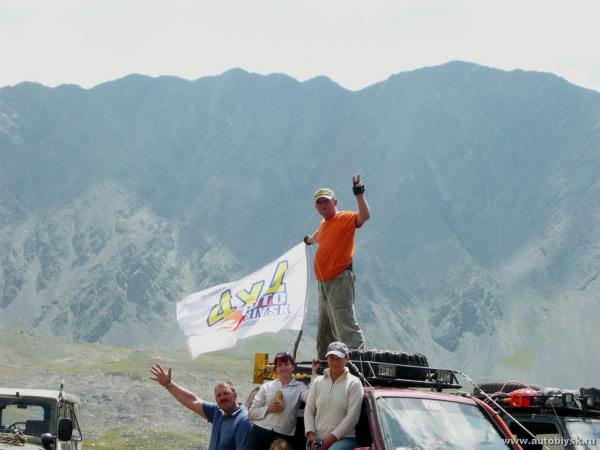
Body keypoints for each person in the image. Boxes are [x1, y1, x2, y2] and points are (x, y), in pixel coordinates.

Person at [304, 176, 371, 358]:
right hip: (323, 284)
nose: (323, 204)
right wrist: (309, 240)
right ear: (316, 207)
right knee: (325, 325)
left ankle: (357, 359)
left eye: (326, 201)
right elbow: (319, 236)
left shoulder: (344, 218)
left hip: (340, 279)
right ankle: (327, 362)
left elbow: (364, 217)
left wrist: (359, 195)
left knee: (343, 320)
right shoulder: (324, 224)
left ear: (335, 202)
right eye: (320, 202)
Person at [150, 363, 252, 450]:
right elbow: (193, 401)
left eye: (226, 393)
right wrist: (169, 385)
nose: (222, 397)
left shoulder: (243, 421)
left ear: (235, 395)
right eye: (219, 395)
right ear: (216, 400)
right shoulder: (218, 412)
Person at [247, 352, 318, 450]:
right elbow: (251, 413)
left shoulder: (299, 387)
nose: (283, 367)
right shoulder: (266, 387)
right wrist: (268, 409)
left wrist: (314, 374)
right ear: (276, 369)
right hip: (259, 431)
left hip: (282, 434)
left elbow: (310, 398)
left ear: (292, 367)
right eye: (279, 365)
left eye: (286, 364)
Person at [304, 342, 364, 450]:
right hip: (316, 439)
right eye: (331, 358)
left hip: (344, 439)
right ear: (327, 359)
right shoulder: (318, 381)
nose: (335, 362)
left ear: (347, 359)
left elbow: (352, 418)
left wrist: (328, 441)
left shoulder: (354, 383)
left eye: (339, 358)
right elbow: (309, 410)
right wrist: (311, 437)